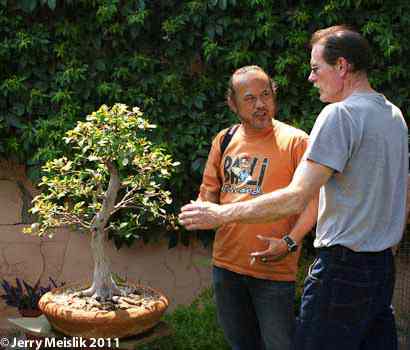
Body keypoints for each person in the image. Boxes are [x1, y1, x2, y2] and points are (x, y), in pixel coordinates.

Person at [179, 26, 408, 350]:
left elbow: (296, 197)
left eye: (316, 69)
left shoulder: (340, 114)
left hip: (342, 268)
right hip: (381, 268)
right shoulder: (393, 115)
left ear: (341, 66)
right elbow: (404, 193)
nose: (311, 78)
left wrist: (221, 214)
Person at [184, 65, 318, 350]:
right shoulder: (224, 140)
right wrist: (198, 211)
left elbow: (315, 201)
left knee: (280, 345)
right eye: (250, 98)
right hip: (227, 266)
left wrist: (289, 242)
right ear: (232, 103)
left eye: (266, 95)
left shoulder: (296, 141)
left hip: (275, 270)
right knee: (241, 344)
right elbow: (209, 193)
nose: (261, 105)